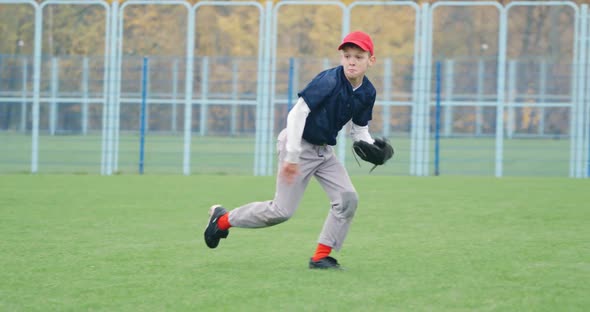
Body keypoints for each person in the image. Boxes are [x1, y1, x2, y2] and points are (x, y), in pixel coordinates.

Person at [204, 31, 378, 270]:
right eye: (347, 55)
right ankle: (222, 220)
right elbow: (297, 114)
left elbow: (359, 130)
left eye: (359, 56)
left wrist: (372, 146)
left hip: (323, 151)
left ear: (371, 60)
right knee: (281, 211)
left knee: (347, 199)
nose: (351, 61)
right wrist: (292, 156)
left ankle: (321, 257)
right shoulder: (329, 80)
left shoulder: (367, 92)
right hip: (297, 144)